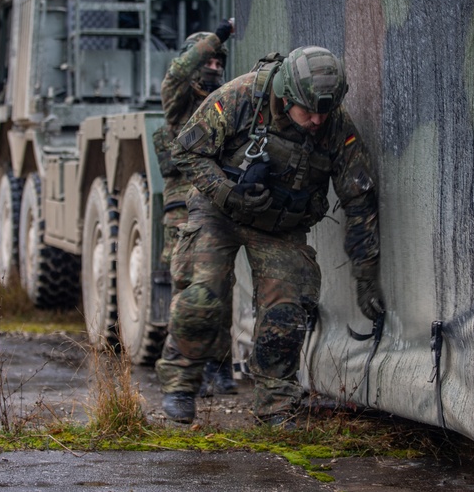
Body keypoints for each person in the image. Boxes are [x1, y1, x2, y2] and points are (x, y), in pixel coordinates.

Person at [158, 45, 385, 427]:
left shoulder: (334, 126)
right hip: (220, 211)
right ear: (287, 96)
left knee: (287, 309)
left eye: (322, 112)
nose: (315, 120)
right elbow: (186, 152)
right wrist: (227, 192)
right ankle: (181, 383)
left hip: (280, 225)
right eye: (307, 111)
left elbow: (359, 200)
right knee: (202, 294)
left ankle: (274, 404)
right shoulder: (241, 97)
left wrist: (366, 277)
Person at [152, 19, 238, 398]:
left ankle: (219, 368)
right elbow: (178, 71)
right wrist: (217, 36)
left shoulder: (226, 104)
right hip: (182, 209)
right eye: (209, 60)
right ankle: (188, 368)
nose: (213, 67)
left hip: (214, 205)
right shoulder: (178, 100)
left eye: (220, 63)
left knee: (221, 287)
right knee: (187, 289)